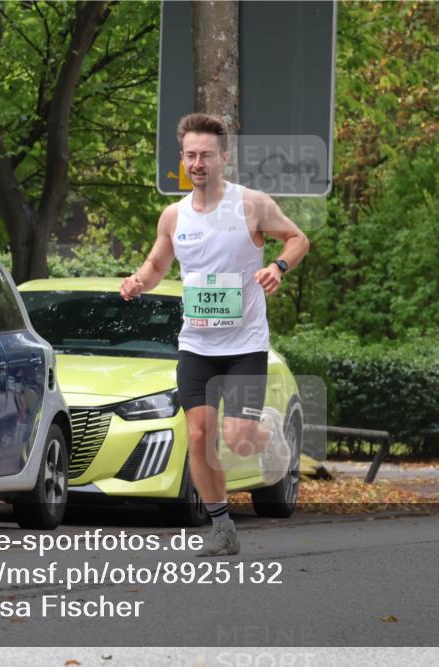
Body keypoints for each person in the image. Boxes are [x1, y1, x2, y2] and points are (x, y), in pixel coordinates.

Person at [121, 113, 310, 556]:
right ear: (182, 158)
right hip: (196, 344)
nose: (198, 163)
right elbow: (157, 265)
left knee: (239, 440)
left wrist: (277, 266)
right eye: (190, 155)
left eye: (206, 155)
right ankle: (221, 526)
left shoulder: (252, 205)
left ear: (224, 157)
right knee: (199, 436)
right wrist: (138, 281)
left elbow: (297, 238)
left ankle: (268, 431)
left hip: (244, 345)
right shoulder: (174, 216)